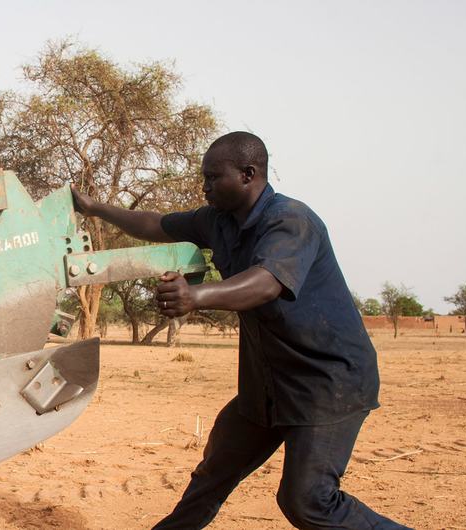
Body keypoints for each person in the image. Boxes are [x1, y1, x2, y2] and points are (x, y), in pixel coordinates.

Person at [72, 132, 408, 529]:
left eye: (213, 178)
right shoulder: (218, 221)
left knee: (308, 501)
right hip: (267, 386)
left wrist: (195, 297)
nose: (205, 187)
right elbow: (157, 224)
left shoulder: (291, 221)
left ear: (248, 175)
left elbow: (266, 282)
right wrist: (95, 209)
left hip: (327, 383)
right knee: (213, 475)